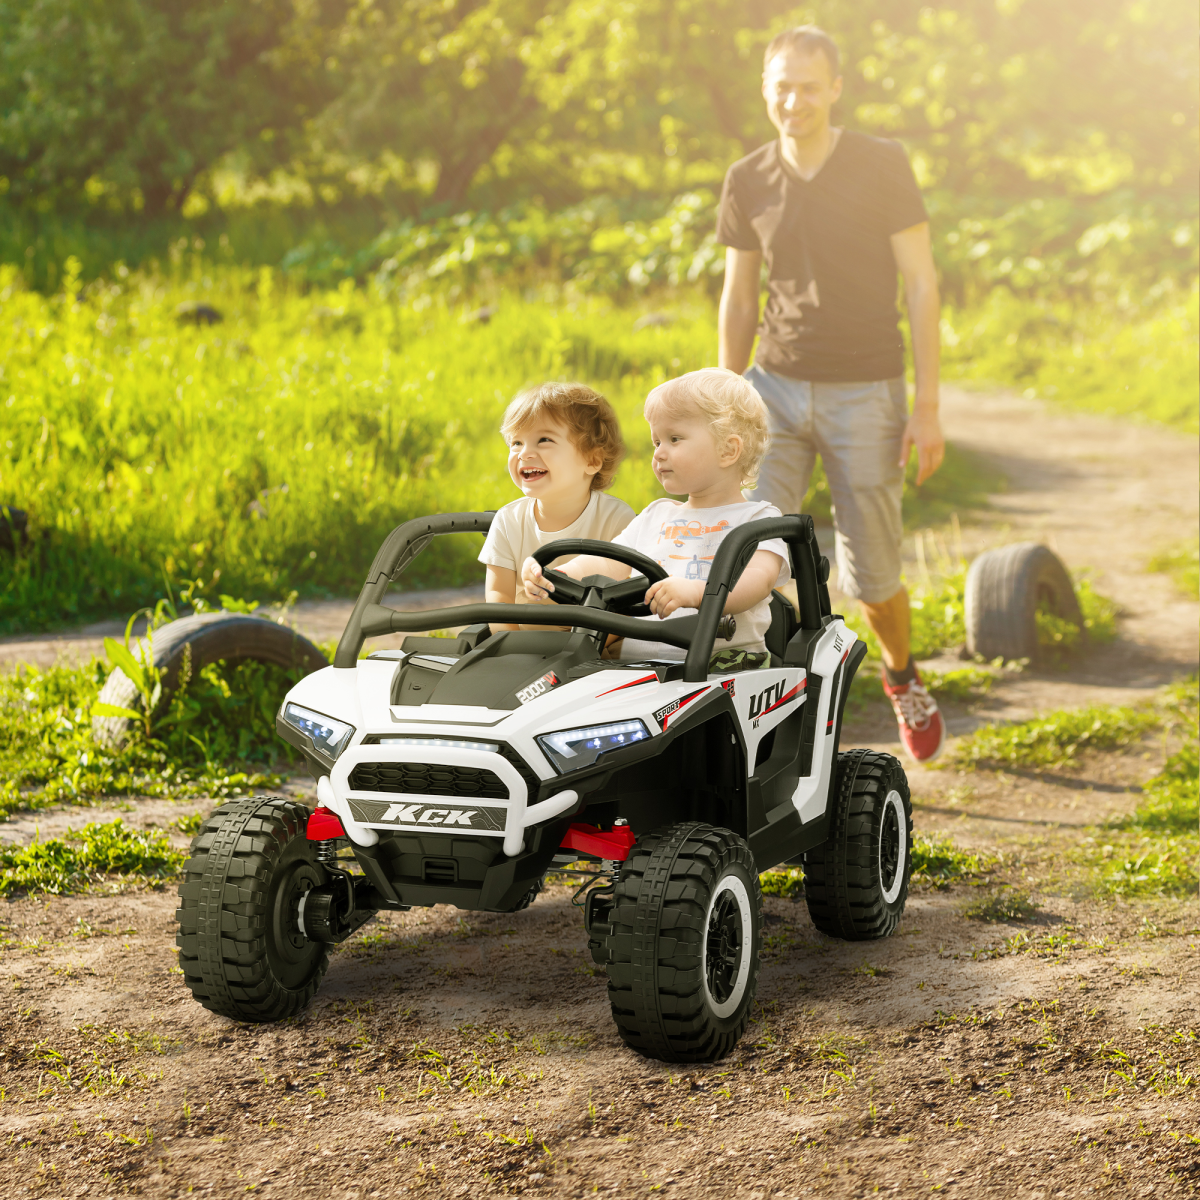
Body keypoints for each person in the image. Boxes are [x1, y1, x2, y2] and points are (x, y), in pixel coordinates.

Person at [715, 24, 947, 761]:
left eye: (809, 86)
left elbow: (922, 281)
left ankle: (902, 676)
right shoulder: (747, 178)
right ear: (765, 91)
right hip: (774, 389)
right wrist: (727, 394)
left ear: (835, 88)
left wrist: (928, 405)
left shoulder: (882, 164)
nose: (795, 100)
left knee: (872, 575)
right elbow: (739, 295)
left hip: (867, 392)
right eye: (782, 86)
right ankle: (770, 701)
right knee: (745, 549)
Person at [521, 368, 789, 671]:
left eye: (674, 439)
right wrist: (559, 574)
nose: (659, 453)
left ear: (728, 450)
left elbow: (758, 580)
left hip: (726, 667)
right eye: (656, 442)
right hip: (641, 668)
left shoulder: (758, 519)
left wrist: (696, 593)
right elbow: (608, 563)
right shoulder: (656, 515)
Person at [479, 382, 634, 631]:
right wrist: (511, 648)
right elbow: (498, 598)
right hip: (523, 648)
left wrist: (602, 646)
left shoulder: (616, 519)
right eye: (516, 443)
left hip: (596, 646)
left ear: (592, 460)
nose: (524, 453)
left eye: (543, 440)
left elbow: (629, 603)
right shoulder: (508, 521)